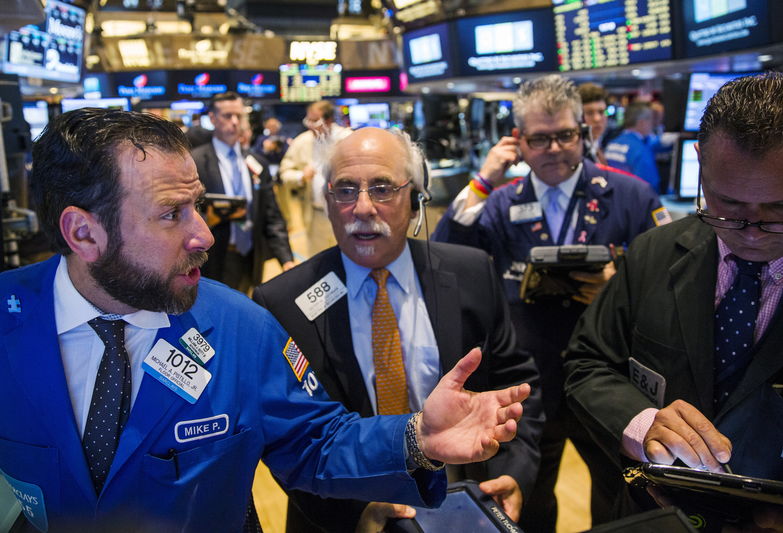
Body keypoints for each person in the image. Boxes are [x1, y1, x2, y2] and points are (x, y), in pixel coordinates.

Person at [0, 108, 530, 532]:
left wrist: (417, 437)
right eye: (170, 214)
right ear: (84, 233)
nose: (204, 235)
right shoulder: (8, 322)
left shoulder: (241, 326)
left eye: (197, 206)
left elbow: (315, 443)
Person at [252, 127, 545, 533]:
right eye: (347, 190)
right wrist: (354, 517)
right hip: (341, 515)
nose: (364, 208)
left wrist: (514, 473)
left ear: (415, 200)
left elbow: (516, 383)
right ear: (328, 200)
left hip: (463, 506)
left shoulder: (471, 272)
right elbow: (285, 438)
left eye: (383, 188)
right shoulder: (282, 303)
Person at [563, 72, 783, 532]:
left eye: (781, 209)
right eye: (727, 203)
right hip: (656, 515)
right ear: (700, 164)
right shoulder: (654, 252)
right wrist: (641, 423)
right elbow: (587, 361)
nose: (750, 230)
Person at [431, 74, 667, 532]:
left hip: (608, 380)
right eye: (540, 138)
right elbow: (445, 258)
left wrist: (619, 290)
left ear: (585, 131)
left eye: (565, 135)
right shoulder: (498, 204)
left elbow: (666, 289)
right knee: (528, 502)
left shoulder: (630, 195)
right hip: (527, 384)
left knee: (617, 500)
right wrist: (482, 181)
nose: (554, 148)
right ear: (519, 141)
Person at [191, 92, 295, 294]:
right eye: (228, 116)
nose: (235, 122)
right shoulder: (195, 162)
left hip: (251, 256)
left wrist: (286, 259)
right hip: (213, 258)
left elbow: (271, 214)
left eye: (239, 116)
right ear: (212, 118)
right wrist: (206, 219)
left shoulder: (256, 162)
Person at [279, 100, 351, 256]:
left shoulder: (347, 139)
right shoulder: (302, 141)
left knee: (349, 258)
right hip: (316, 215)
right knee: (319, 262)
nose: (310, 125)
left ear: (329, 120)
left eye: (315, 120)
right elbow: (284, 172)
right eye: (308, 120)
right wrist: (300, 176)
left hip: (347, 214)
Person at [604, 101, 661, 193]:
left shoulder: (612, 143)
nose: (652, 124)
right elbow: (650, 185)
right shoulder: (640, 150)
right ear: (642, 123)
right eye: (650, 120)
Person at [577, 82, 609, 164]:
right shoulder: (576, 155)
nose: (597, 119)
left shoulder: (598, 146)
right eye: (589, 113)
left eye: (601, 112)